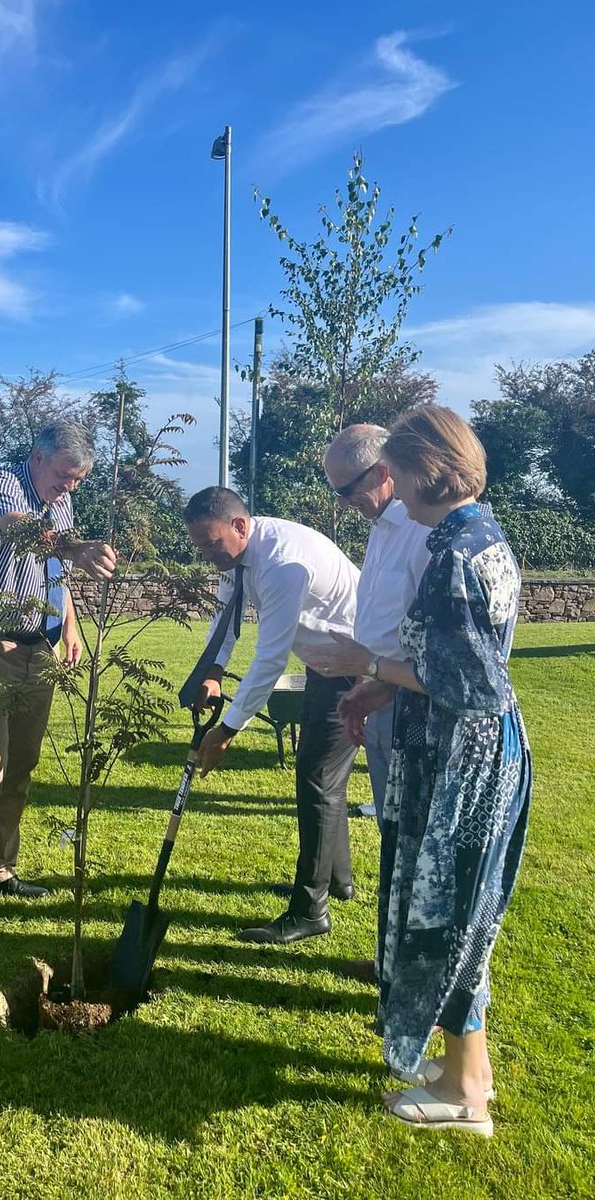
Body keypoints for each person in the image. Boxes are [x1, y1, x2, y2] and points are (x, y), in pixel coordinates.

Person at [309, 406, 532, 1137]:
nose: (395, 491)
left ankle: (466, 1099)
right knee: (453, 912)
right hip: (453, 750)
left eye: (397, 474)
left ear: (420, 470)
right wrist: (380, 688)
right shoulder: (476, 535)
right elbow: (451, 664)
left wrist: (367, 666)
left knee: (450, 917)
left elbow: (475, 687)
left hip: (461, 765)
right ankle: (470, 1067)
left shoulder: (457, 554)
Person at [0, 421, 116, 934]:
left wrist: (70, 626)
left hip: (38, 645)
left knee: (22, 762)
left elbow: (56, 573)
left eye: (78, 479)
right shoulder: (2, 484)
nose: (70, 486)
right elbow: (19, 529)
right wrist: (75, 548)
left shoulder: (62, 502)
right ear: (38, 457)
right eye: (65, 475)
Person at [182, 487, 361, 945]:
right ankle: (336, 880)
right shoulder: (236, 557)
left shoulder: (282, 564)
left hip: (358, 668)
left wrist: (227, 729)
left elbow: (270, 659)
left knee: (318, 779)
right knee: (323, 777)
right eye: (199, 546)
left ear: (240, 526)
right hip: (327, 665)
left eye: (211, 544)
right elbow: (226, 615)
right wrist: (214, 671)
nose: (206, 555)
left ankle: (310, 909)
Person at [323, 425, 431, 825]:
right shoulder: (381, 528)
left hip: (415, 703)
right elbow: (380, 620)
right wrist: (367, 687)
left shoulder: (422, 531)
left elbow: (433, 643)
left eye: (347, 489)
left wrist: (379, 677)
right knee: (392, 825)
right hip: (383, 693)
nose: (342, 502)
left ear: (382, 472)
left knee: (410, 828)